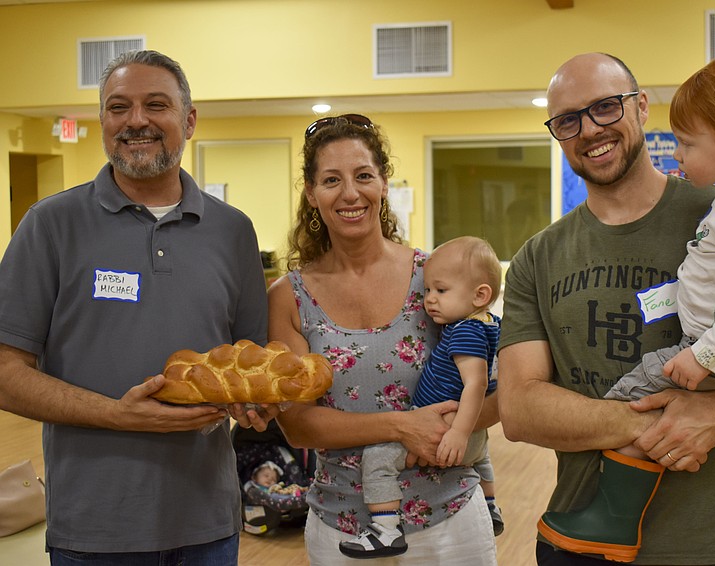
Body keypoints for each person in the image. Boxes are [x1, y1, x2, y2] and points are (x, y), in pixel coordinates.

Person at [496, 52, 715, 566]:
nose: (589, 129)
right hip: (578, 547)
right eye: (568, 119)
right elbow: (520, 412)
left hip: (710, 546)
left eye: (606, 107)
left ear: (641, 108)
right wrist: (664, 423)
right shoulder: (536, 258)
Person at [0, 50, 269, 564]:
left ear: (189, 120)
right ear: (102, 121)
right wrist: (118, 415)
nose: (136, 120)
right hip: (94, 530)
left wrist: (256, 406)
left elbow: (249, 363)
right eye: (118, 107)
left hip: (208, 525)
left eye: (156, 105)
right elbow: (4, 372)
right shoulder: (50, 225)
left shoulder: (233, 231)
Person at [268, 114, 499, 565]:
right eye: (332, 180)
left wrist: (451, 430)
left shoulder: (436, 279)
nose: (350, 193)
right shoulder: (288, 297)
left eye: (363, 176)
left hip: (448, 520)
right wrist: (401, 426)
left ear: (384, 183)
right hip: (341, 528)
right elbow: (297, 423)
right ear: (312, 194)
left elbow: (496, 393)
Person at [339, 236, 504, 558]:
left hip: (445, 429)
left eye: (441, 291)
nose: (429, 300)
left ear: (480, 294)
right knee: (482, 456)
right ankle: (490, 504)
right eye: (427, 290)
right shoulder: (488, 324)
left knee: (377, 459)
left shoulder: (465, 331)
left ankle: (386, 529)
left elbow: (476, 384)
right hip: (473, 434)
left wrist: (457, 431)